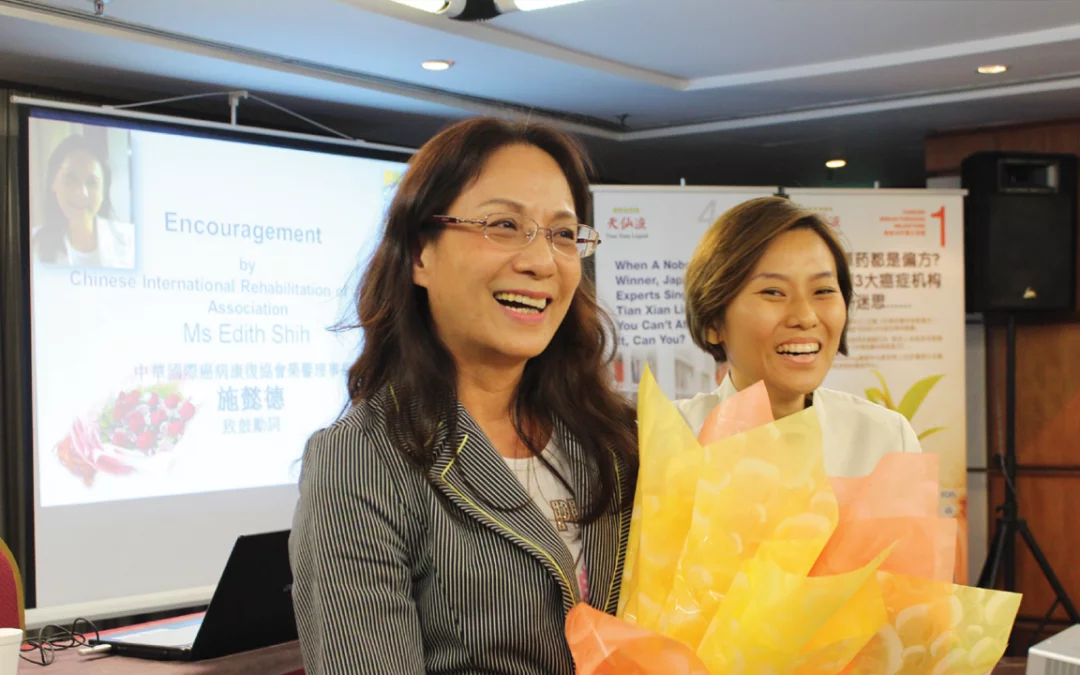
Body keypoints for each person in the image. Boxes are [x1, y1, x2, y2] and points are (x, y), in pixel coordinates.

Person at [289, 118, 637, 674]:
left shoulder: (618, 438)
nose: (541, 261)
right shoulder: (361, 461)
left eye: (563, 234)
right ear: (420, 254)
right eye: (504, 225)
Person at [677, 196, 920, 476]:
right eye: (773, 292)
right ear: (713, 321)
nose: (805, 317)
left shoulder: (884, 439)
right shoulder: (669, 437)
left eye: (823, 291)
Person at [33, 134, 135, 269]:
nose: (82, 193)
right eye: (70, 178)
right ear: (53, 182)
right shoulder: (32, 243)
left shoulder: (131, 240)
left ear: (104, 189)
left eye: (92, 183)